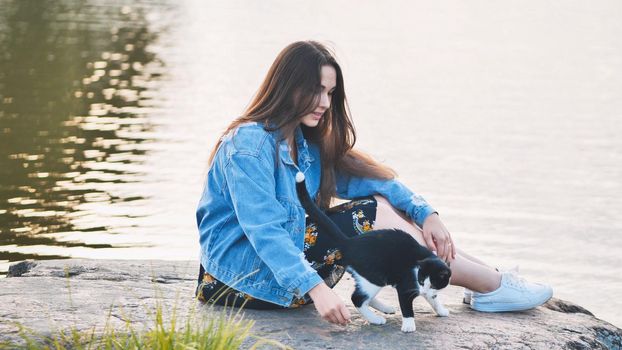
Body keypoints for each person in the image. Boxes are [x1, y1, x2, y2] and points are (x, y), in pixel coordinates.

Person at [195, 40, 552, 325]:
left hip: (277, 276)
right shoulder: (249, 146)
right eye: (317, 90)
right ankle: (491, 286)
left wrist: (427, 213)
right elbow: (265, 232)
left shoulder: (303, 143)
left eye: (330, 93)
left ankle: (488, 279)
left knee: (379, 203)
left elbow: (372, 182)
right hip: (243, 282)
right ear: (288, 87)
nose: (324, 102)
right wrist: (318, 291)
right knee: (370, 215)